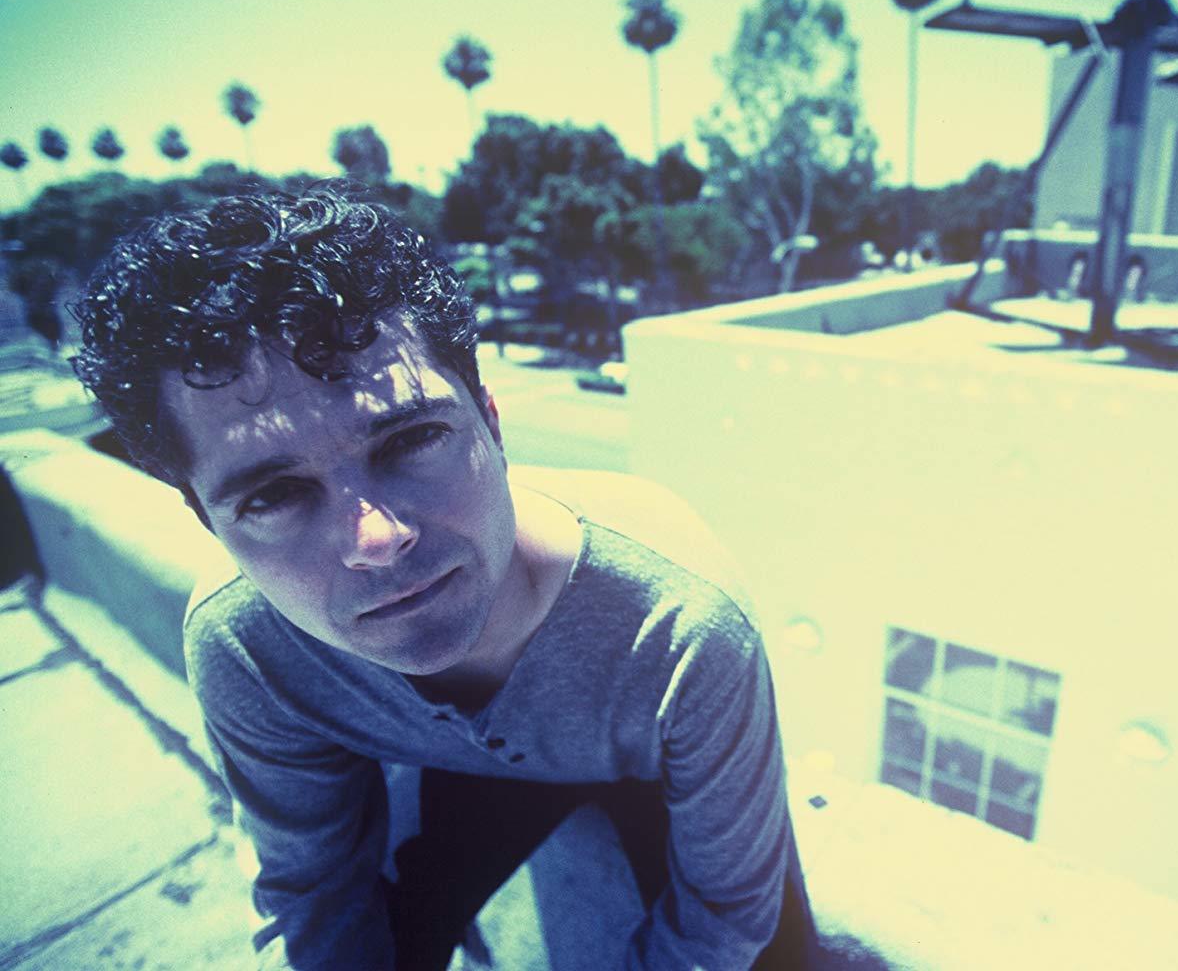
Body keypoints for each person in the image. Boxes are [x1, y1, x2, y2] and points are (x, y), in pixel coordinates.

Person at [70, 187, 812, 970]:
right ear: (206, 523)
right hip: (458, 784)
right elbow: (311, 897)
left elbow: (725, 919)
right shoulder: (245, 645)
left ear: (491, 422)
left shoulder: (679, 623)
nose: (376, 539)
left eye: (412, 438)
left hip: (653, 781)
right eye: (275, 495)